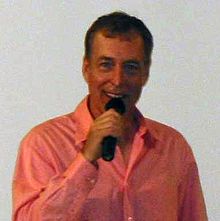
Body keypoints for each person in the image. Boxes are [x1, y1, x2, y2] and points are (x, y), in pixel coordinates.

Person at [12, 11, 208, 221]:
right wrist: (86, 159)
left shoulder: (172, 147)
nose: (117, 80)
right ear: (86, 68)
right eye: (106, 65)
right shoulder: (44, 144)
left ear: (145, 73)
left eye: (130, 67)